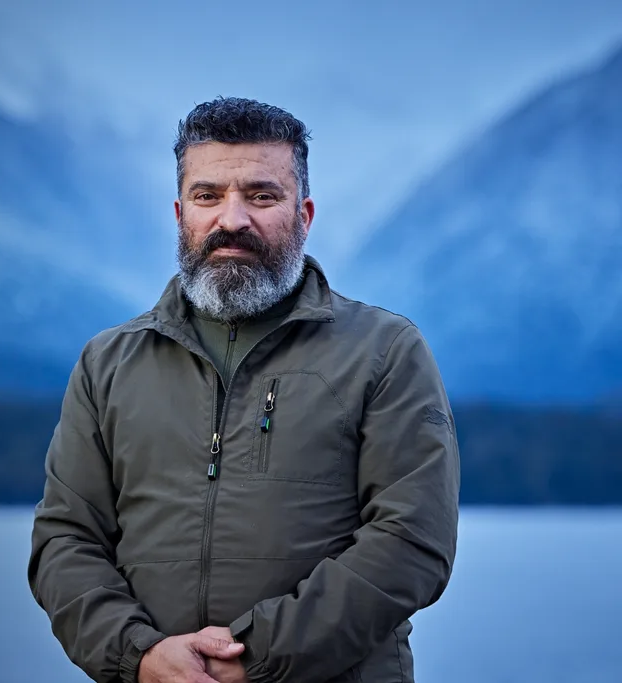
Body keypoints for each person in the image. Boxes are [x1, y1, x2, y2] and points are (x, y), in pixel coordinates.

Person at [27, 96, 460, 683]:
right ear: (181, 214)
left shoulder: (384, 350)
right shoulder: (108, 363)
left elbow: (411, 542)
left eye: (261, 195)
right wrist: (142, 656)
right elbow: (64, 540)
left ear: (304, 216)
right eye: (208, 197)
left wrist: (253, 658)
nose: (232, 220)